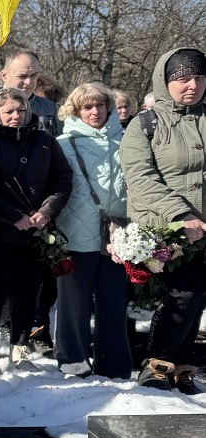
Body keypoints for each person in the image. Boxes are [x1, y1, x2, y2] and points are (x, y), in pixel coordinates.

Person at [119, 48, 206, 391]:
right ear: (164, 82)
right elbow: (141, 178)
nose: (192, 85)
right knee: (184, 294)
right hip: (167, 227)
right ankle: (156, 364)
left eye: (199, 77)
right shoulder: (145, 124)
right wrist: (181, 214)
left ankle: (182, 367)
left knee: (198, 296)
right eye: (183, 78)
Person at [0, 88, 72, 375]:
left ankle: (19, 347)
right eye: (8, 112)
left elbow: (62, 179)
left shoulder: (44, 142)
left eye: (20, 111)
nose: (15, 116)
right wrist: (12, 215)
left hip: (35, 232)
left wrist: (47, 211)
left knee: (27, 293)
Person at [55, 82, 131, 379]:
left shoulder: (127, 140)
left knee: (114, 303)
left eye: (100, 105)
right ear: (76, 111)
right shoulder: (63, 143)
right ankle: (73, 361)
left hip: (117, 235)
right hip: (74, 233)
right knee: (74, 304)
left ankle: (114, 365)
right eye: (87, 107)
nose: (95, 112)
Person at [0, 48, 61, 140]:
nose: (29, 82)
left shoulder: (49, 108)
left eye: (34, 75)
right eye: (22, 76)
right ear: (4, 76)